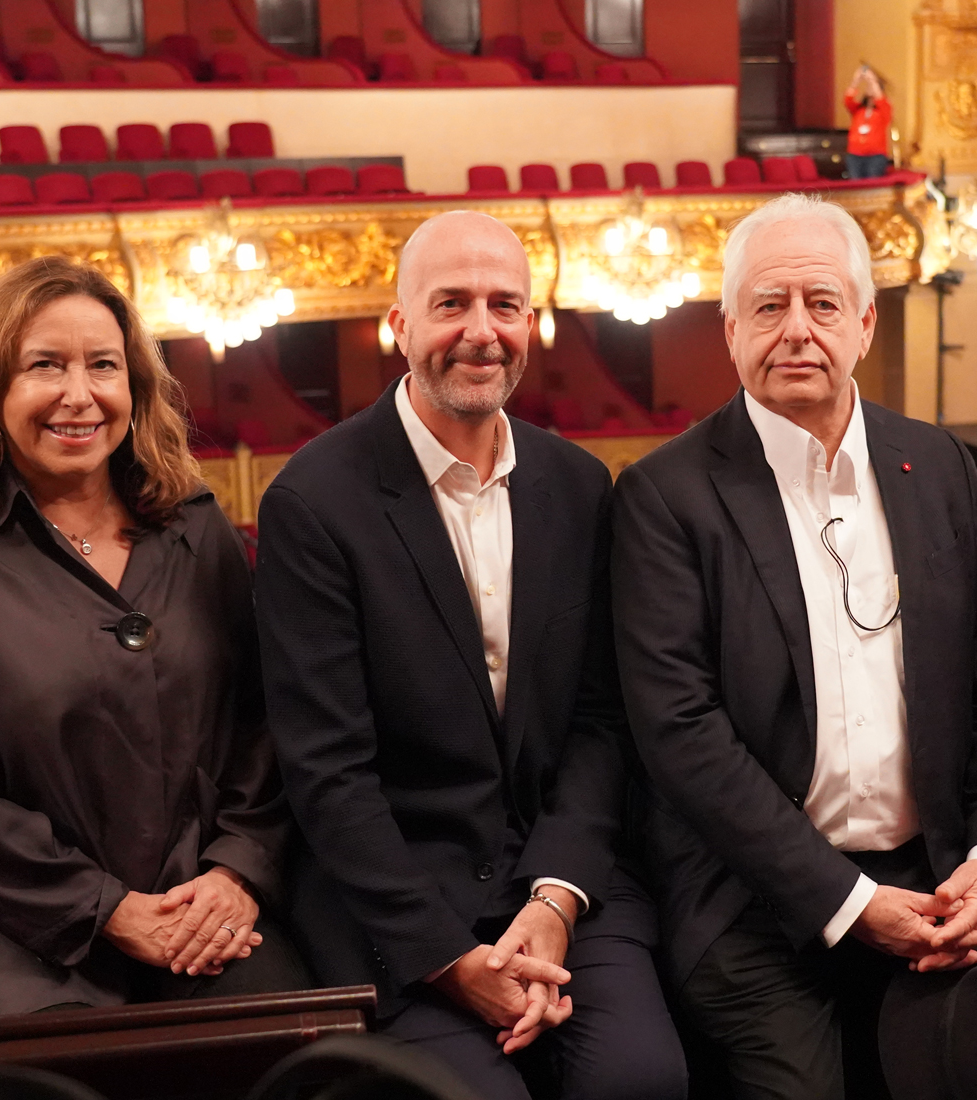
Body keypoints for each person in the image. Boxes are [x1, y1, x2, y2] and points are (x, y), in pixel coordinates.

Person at [611, 193, 977, 1100]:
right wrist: (850, 904)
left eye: (823, 303)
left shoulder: (937, 463)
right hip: (758, 901)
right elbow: (682, 736)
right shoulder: (665, 495)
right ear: (730, 330)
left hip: (941, 874)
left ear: (865, 322)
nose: (798, 331)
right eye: (770, 307)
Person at [254, 211, 686, 1100]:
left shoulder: (578, 486)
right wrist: (451, 958)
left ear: (533, 324)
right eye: (451, 304)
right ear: (399, 324)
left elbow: (603, 725)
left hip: (557, 875)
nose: (481, 332)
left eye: (506, 306)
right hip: (398, 901)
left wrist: (557, 901)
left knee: (640, 1081)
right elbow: (327, 771)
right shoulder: (313, 502)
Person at [0, 257, 305, 1022]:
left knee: (302, 1041)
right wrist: (107, 909)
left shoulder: (194, 524)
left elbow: (262, 722)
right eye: (44, 366)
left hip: (194, 901)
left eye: (103, 366)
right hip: (5, 925)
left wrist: (236, 871)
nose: (80, 395)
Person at [843, 65, 891, 180]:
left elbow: (880, 99)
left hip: (875, 157)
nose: (869, 88)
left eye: (872, 86)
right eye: (868, 86)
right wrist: (856, 80)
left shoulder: (884, 110)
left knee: (871, 187)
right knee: (855, 186)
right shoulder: (858, 110)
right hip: (855, 155)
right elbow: (847, 99)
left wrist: (872, 79)